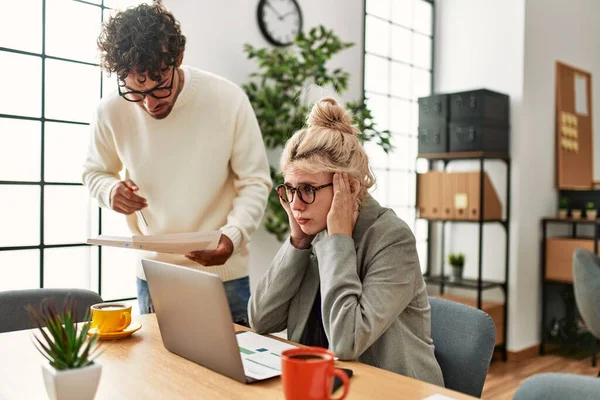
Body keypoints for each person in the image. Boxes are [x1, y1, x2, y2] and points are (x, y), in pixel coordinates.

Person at [82, 3, 271, 325]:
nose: (150, 104)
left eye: (159, 88)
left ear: (178, 58)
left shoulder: (228, 99)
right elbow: (94, 172)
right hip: (153, 275)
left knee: (237, 372)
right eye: (135, 92)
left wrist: (234, 234)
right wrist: (110, 190)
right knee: (162, 373)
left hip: (225, 275)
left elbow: (255, 181)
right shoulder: (110, 111)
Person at [248, 97, 444, 385]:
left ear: (348, 187)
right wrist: (297, 243)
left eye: (307, 189)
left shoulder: (393, 239)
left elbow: (347, 342)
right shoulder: (312, 230)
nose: (296, 204)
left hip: (394, 391)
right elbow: (260, 320)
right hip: (326, 382)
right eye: (289, 189)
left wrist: (339, 241)